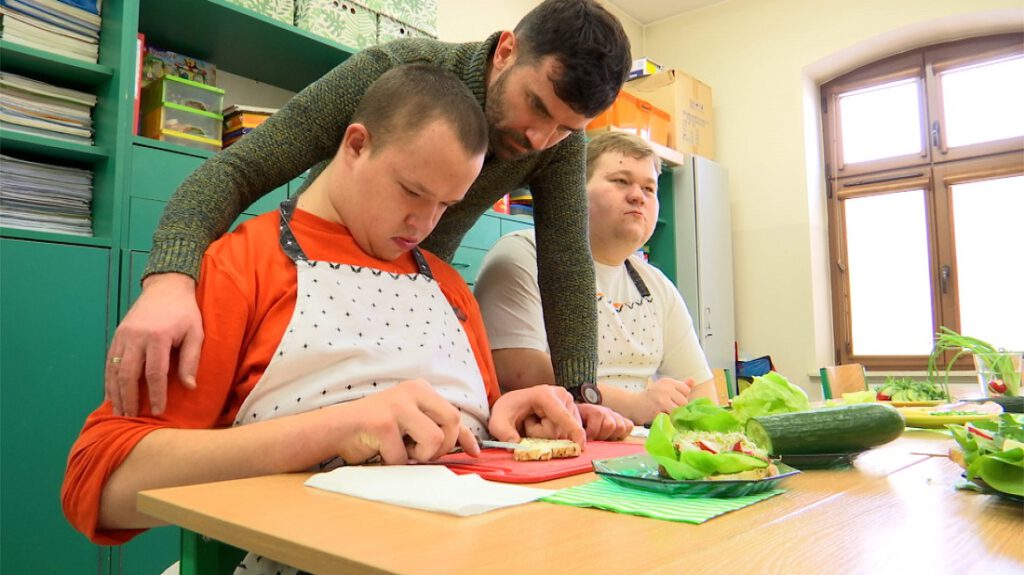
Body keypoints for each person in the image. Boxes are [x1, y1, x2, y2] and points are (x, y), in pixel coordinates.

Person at [63, 66, 612, 568]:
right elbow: (99, 486)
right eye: (412, 190)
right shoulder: (244, 267)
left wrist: (502, 418)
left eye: (445, 205)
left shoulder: (449, 290)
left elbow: (465, 441)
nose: (423, 222)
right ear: (355, 144)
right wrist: (338, 428)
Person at [106, 0, 632, 418]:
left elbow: (565, 264)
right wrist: (170, 280)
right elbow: (239, 169)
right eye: (537, 107)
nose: (542, 139)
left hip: (417, 310)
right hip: (315, 293)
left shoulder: (555, 142)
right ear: (506, 51)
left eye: (567, 128)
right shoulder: (392, 72)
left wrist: (579, 395)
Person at [474, 132, 717, 426]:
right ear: (574, 189)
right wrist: (633, 404)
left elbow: (702, 392)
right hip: (558, 438)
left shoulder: (658, 286)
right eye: (621, 181)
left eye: (649, 188)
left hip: (639, 447)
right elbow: (516, 372)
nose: (638, 195)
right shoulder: (521, 255)